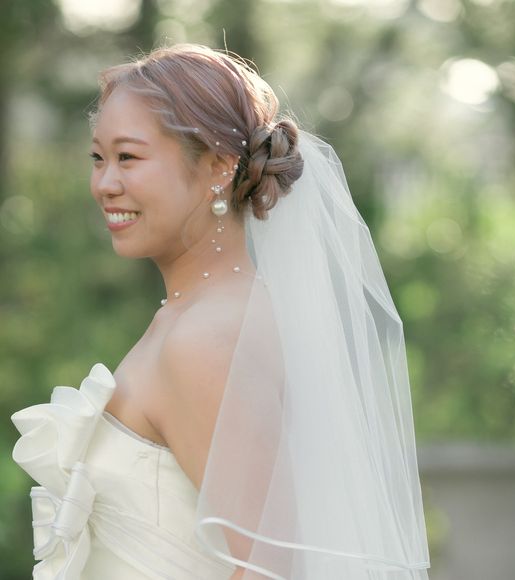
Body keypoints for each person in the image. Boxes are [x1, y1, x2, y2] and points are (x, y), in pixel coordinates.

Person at [11, 44, 430, 579]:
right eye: (98, 158)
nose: (105, 183)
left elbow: (267, 568)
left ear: (218, 166)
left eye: (129, 157)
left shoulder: (203, 340)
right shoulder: (210, 313)